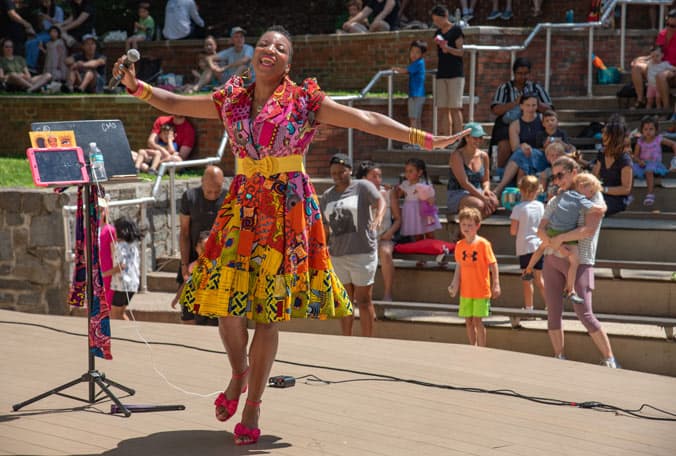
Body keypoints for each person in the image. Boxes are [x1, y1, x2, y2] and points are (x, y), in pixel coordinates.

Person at [112, 25, 465, 445]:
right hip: (242, 207)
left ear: (288, 63)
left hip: (286, 211)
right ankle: (239, 372)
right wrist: (136, 86)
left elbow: (367, 119)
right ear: (253, 53)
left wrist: (425, 138)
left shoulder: (304, 100)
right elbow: (173, 101)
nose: (269, 51)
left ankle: (254, 403)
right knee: (228, 305)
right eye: (264, 44)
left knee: (266, 313)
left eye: (280, 48)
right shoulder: (232, 99)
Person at [537, 156, 619, 368]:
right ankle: (559, 357)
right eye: (554, 176)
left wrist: (560, 239)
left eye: (560, 175)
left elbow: (589, 229)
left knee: (584, 312)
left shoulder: (592, 191)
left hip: (580, 261)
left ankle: (610, 359)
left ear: (574, 171)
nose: (557, 180)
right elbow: (541, 229)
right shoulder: (558, 197)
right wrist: (554, 245)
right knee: (553, 311)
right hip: (552, 259)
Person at [321, 154, 385, 338]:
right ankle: (346, 339)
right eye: (333, 172)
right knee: (344, 301)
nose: (337, 175)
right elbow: (324, 226)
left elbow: (380, 200)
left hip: (362, 252)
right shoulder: (326, 196)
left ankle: (367, 341)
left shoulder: (362, 187)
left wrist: (379, 216)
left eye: (341, 171)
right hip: (338, 255)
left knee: (364, 301)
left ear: (349, 170)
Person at [526, 172, 605, 305]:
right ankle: (570, 290)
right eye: (590, 191)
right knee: (574, 261)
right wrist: (603, 207)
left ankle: (528, 269)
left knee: (541, 248)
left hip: (554, 230)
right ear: (581, 186)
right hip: (563, 231)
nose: (591, 195)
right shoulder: (581, 199)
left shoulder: (565, 195)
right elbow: (597, 209)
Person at [177, 165, 226, 326]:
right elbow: (184, 233)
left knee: (214, 317)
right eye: (209, 191)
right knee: (189, 314)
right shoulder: (190, 197)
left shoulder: (228, 199)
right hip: (192, 260)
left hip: (217, 268)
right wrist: (184, 264)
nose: (212, 196)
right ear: (202, 182)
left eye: (216, 192)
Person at [448, 207, 501, 347]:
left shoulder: (483, 244)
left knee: (478, 321)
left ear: (477, 226)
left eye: (470, 225)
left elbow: (493, 264)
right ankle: (473, 346)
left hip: (481, 290)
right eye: (463, 225)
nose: (466, 228)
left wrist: (496, 283)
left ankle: (482, 348)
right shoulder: (459, 245)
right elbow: (459, 266)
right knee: (468, 321)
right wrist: (454, 284)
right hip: (466, 291)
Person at [489, 57, 553, 169]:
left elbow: (550, 110)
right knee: (504, 144)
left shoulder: (536, 88)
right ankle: (500, 172)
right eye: (519, 73)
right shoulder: (504, 88)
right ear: (514, 73)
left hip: (532, 123)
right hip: (507, 124)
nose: (522, 77)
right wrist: (515, 103)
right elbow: (495, 110)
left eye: (525, 74)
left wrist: (535, 102)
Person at [356, 160, 401, 301]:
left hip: (384, 236)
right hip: (365, 237)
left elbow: (398, 219)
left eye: (379, 176)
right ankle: (358, 295)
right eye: (374, 176)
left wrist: (390, 233)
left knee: (386, 252)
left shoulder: (388, 193)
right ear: (364, 178)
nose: (378, 180)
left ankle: (388, 294)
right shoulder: (356, 193)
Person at [492, 94, 546, 196]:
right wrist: (523, 146)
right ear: (521, 106)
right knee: (521, 159)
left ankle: (500, 188)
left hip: (540, 155)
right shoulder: (515, 124)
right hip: (522, 155)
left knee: (521, 157)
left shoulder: (542, 119)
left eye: (534, 105)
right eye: (528, 105)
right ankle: (521, 195)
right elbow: (515, 148)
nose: (531, 108)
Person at [447, 122, 499, 218]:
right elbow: (464, 183)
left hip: (477, 191)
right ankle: (468, 229)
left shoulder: (484, 156)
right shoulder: (457, 155)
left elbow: (486, 180)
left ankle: (471, 226)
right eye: (475, 137)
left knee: (494, 202)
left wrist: (486, 190)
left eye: (480, 138)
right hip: (458, 193)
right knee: (479, 205)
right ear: (466, 138)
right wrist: (483, 198)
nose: (478, 140)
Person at [509, 175, 545, 311]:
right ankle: (552, 307)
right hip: (539, 246)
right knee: (540, 279)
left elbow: (513, 231)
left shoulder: (518, 208)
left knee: (527, 280)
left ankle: (529, 308)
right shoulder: (541, 206)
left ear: (521, 190)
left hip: (525, 247)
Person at [631, 9, 676, 109]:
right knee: (636, 66)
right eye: (667, 24)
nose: (669, 27)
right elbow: (656, 52)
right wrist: (642, 59)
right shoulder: (662, 34)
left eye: (672, 26)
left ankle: (665, 108)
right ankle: (640, 100)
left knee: (661, 75)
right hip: (658, 64)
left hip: (672, 68)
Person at [431, 4, 464, 135]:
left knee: (455, 108)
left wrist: (448, 49)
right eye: (434, 21)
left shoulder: (456, 30)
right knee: (443, 108)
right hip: (442, 73)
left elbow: (461, 52)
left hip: (455, 73)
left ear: (445, 17)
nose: (437, 23)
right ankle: (446, 137)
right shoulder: (438, 33)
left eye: (438, 20)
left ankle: (459, 138)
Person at [103, 216, 143, 321]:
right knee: (120, 313)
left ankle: (121, 334)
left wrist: (104, 274)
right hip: (133, 284)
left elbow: (121, 266)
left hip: (122, 285)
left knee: (114, 314)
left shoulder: (120, 246)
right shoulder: (133, 246)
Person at [592, 114, 633, 217]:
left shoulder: (624, 159)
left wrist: (603, 189)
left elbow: (626, 189)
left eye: (605, 133)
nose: (602, 135)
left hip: (617, 199)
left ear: (613, 137)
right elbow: (594, 176)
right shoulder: (601, 153)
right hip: (601, 194)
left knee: (592, 208)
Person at [632, 116, 675, 207]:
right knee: (629, 169)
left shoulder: (658, 139)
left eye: (651, 129)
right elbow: (635, 156)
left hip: (655, 165)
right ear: (642, 130)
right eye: (645, 129)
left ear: (656, 130)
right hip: (642, 164)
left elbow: (673, 144)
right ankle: (628, 193)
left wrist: (675, 158)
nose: (648, 131)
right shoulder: (640, 141)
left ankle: (650, 194)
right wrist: (639, 161)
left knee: (649, 170)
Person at [397, 158, 441, 239]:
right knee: (417, 233)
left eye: (411, 171)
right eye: (406, 171)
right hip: (411, 212)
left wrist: (430, 200)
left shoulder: (424, 184)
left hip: (423, 210)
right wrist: (394, 189)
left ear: (419, 172)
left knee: (429, 232)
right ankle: (420, 249)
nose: (407, 174)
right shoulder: (405, 184)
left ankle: (431, 248)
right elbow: (398, 195)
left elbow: (431, 197)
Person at [392, 39, 427, 137]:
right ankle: (420, 142)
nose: (414, 54)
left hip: (416, 95)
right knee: (416, 119)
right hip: (418, 95)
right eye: (412, 51)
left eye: (417, 52)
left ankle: (415, 143)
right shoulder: (419, 63)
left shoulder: (418, 63)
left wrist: (396, 69)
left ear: (422, 54)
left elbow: (405, 71)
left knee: (413, 119)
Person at [171, 230, 209, 311]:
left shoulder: (217, 266)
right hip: (198, 303)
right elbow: (186, 283)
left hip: (212, 304)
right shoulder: (193, 267)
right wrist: (177, 298)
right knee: (198, 316)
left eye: (207, 249)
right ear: (196, 248)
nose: (204, 252)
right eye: (202, 248)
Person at [24, 0, 64, 72]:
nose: (45, 3)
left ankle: (31, 65)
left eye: (47, 1)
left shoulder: (58, 10)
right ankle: (27, 65)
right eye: (44, 1)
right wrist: (40, 21)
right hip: (44, 32)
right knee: (28, 42)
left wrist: (49, 19)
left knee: (35, 42)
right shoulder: (41, 11)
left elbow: (60, 25)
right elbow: (41, 27)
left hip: (53, 32)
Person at [98, 198, 116, 310]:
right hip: (95, 272)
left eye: (101, 210)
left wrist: (113, 273)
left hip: (107, 272)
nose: (98, 213)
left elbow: (114, 253)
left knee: (107, 306)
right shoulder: (88, 230)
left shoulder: (110, 230)